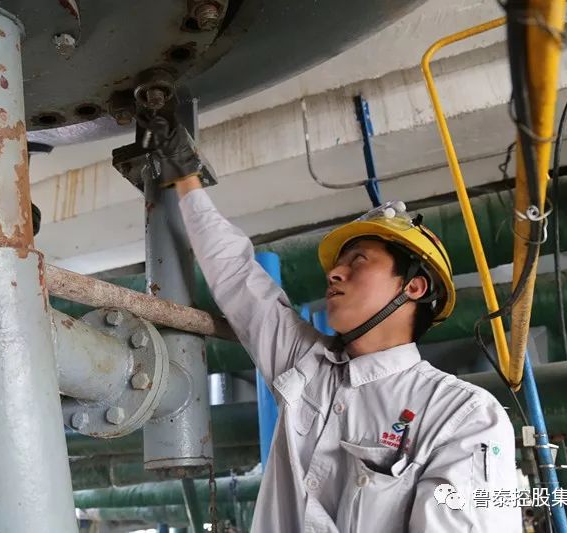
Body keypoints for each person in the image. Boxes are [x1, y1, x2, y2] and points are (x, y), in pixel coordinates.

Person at [141, 113, 521, 532]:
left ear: (413, 287)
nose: (335, 273)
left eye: (358, 261)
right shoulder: (306, 365)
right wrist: (186, 179)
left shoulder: (462, 415)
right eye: (338, 264)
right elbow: (237, 275)